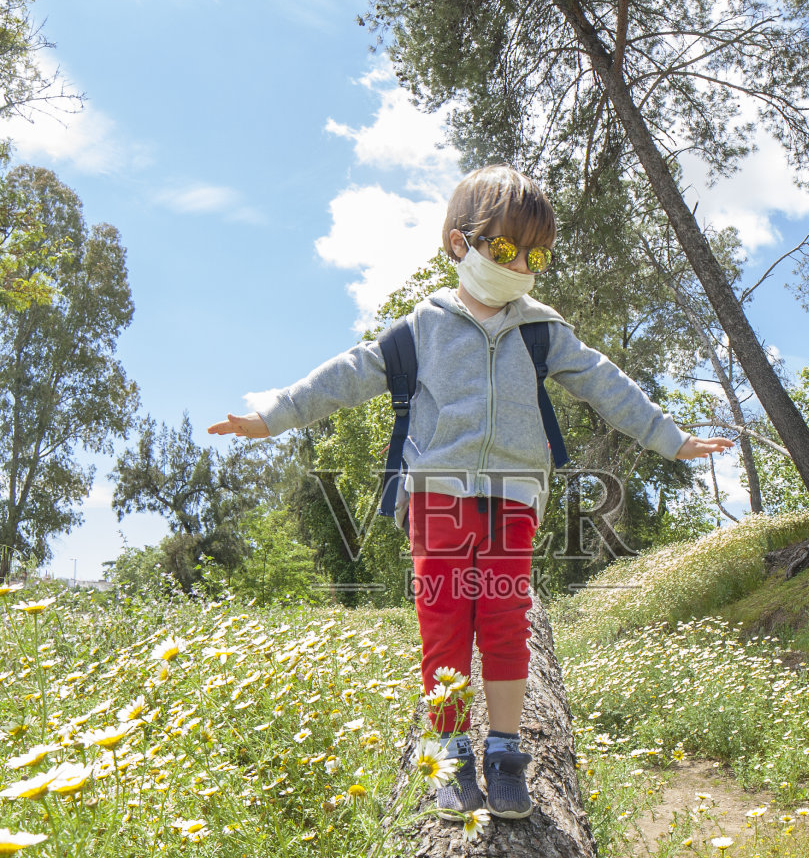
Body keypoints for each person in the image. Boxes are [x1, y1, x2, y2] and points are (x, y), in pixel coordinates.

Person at [209, 165, 732, 822]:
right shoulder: (421, 329)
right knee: (445, 623)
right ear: (460, 244)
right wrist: (270, 417)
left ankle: (506, 753)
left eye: (535, 256)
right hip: (436, 495)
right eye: (505, 249)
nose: (519, 267)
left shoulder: (542, 330)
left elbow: (605, 383)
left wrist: (670, 438)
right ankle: (452, 751)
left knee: (507, 621)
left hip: (515, 495)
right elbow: (346, 375)